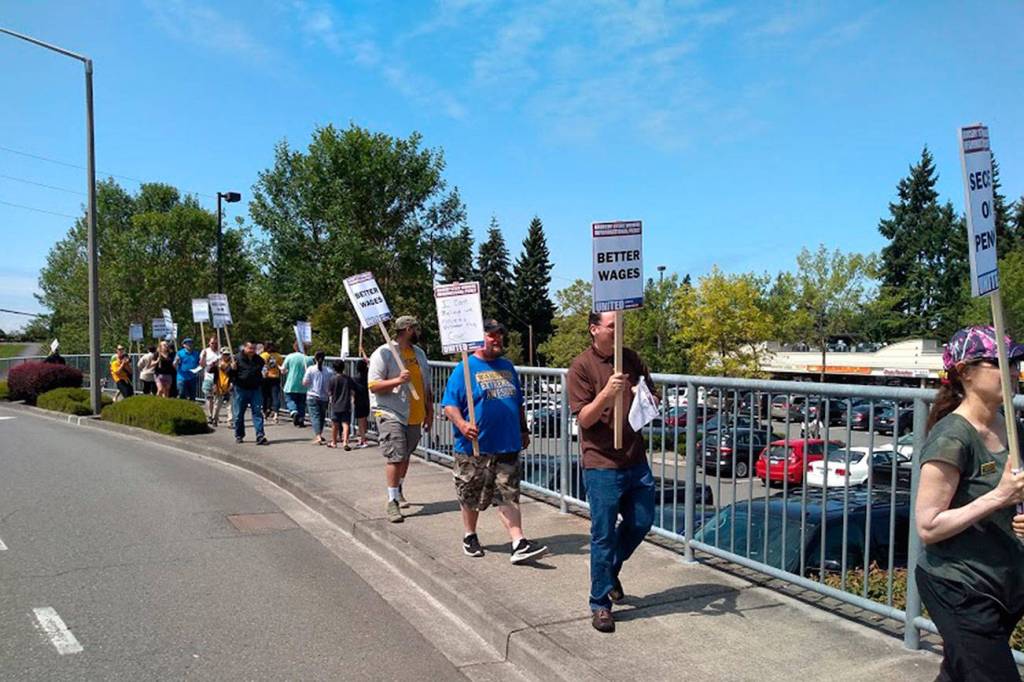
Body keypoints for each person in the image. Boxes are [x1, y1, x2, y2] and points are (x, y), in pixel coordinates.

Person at [915, 325, 1024, 681]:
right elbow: (928, 526)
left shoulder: (1008, 424)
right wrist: (1000, 497)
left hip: (1004, 584)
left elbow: (1014, 490)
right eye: (1000, 362)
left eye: (1014, 361)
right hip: (960, 587)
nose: (1012, 371)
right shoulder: (952, 436)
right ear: (965, 373)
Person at [567, 311, 657, 633]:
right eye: (611, 326)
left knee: (642, 521)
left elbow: (653, 400)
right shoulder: (580, 367)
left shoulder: (631, 359)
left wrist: (638, 396)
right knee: (603, 534)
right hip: (601, 462)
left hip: (635, 459)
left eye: (621, 326)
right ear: (594, 330)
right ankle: (600, 603)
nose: (618, 332)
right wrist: (607, 393)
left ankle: (609, 572)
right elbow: (585, 420)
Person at [441, 319, 548, 563]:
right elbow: (449, 405)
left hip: (507, 443)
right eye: (491, 335)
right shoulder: (465, 369)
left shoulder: (508, 367)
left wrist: (523, 429)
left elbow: (518, 402)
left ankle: (518, 542)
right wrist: (462, 424)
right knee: (470, 493)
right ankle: (470, 535)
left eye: (500, 334)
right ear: (479, 338)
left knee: (508, 493)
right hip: (475, 446)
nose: (497, 338)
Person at [368, 315, 433, 523]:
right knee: (395, 455)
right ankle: (392, 501)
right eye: (415, 328)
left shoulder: (420, 354)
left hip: (414, 413)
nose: (418, 332)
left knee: (405, 455)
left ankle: (398, 487)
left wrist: (429, 411)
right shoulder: (384, 353)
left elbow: (426, 386)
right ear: (407, 329)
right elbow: (373, 385)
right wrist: (397, 380)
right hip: (390, 411)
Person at [228, 340, 268, 445]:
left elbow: (263, 370)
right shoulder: (236, 358)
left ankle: (260, 435)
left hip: (255, 389)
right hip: (241, 389)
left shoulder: (259, 360)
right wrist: (232, 369)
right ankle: (239, 435)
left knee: (257, 412)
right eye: (250, 348)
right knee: (238, 414)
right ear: (244, 348)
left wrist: (264, 375)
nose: (252, 351)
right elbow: (229, 373)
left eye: (254, 349)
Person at [302, 350, 333, 445]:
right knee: (322, 416)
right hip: (324, 396)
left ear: (314, 358)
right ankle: (320, 433)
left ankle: (318, 435)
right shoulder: (329, 370)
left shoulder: (310, 369)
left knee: (315, 416)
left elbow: (305, 383)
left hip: (312, 395)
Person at [281, 341, 312, 427]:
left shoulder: (290, 356)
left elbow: (283, 370)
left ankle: (294, 412)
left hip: (291, 384)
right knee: (301, 403)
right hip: (303, 385)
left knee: (290, 400)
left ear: (295, 347)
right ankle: (301, 419)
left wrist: (283, 370)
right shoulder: (308, 359)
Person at [327, 360, 355, 449]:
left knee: (335, 424)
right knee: (345, 423)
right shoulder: (348, 379)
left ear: (334, 368)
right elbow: (353, 390)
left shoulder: (332, 379)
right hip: (346, 404)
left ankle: (334, 442)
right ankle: (345, 442)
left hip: (335, 404)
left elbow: (329, 392)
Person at [260, 341, 284, 424]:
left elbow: (260, 366)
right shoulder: (278, 356)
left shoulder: (263, 355)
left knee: (265, 395)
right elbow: (282, 366)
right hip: (275, 377)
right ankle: (276, 414)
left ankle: (265, 411)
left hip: (265, 377)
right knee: (275, 395)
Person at [209, 347, 233, 426]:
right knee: (217, 405)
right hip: (219, 386)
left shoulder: (232, 363)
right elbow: (209, 371)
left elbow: (232, 373)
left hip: (228, 386)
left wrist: (225, 367)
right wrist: (213, 365)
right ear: (221, 354)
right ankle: (215, 419)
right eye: (224, 354)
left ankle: (230, 421)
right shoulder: (217, 362)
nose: (226, 356)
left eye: (227, 354)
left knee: (229, 406)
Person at [353, 350, 372, 448]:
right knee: (364, 419)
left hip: (359, 401)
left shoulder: (356, 379)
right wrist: (364, 353)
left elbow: (352, 391)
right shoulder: (369, 375)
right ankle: (364, 436)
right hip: (367, 400)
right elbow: (369, 363)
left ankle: (363, 439)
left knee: (360, 421)